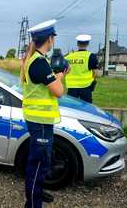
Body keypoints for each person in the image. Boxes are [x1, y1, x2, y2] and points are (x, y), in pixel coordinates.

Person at [20, 19, 68, 208]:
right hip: (39, 121)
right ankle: (33, 203)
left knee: (42, 160)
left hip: (39, 120)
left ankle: (37, 193)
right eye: (53, 37)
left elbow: (47, 87)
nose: (53, 40)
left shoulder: (36, 60)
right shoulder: (39, 63)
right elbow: (58, 91)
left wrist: (55, 76)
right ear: (50, 39)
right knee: (39, 163)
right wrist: (62, 76)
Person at [65, 35, 99, 103]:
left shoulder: (68, 57)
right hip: (86, 87)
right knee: (86, 109)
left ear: (77, 44)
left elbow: (65, 71)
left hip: (71, 87)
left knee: (72, 108)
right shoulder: (91, 56)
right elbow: (95, 73)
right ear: (88, 44)